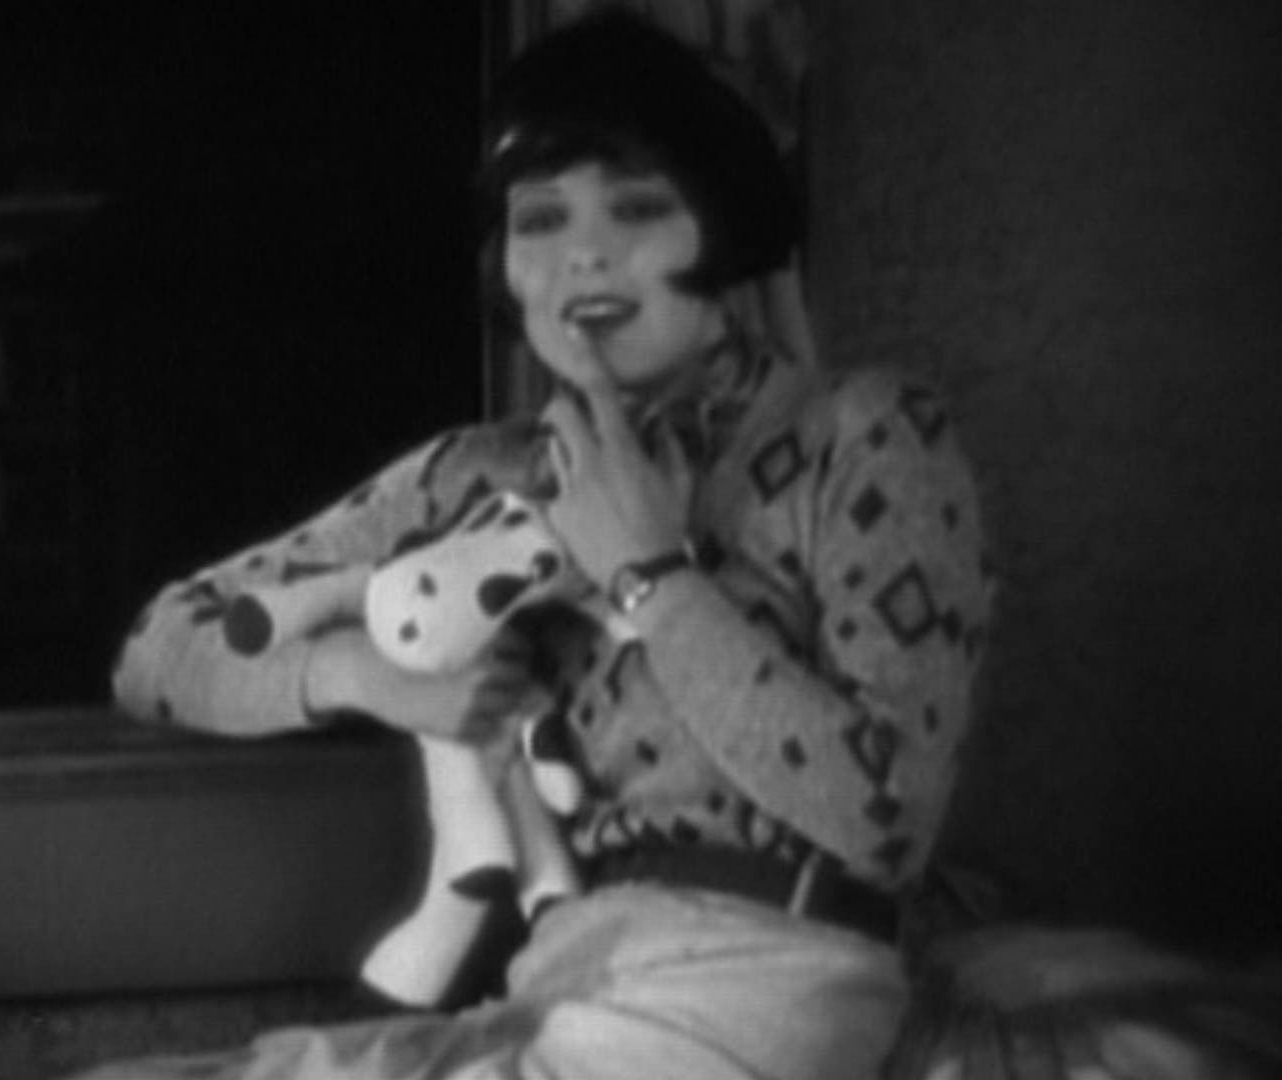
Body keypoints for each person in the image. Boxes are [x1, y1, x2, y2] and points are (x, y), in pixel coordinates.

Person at [95, 9, 992, 1079]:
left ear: (726, 226)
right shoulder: (487, 472)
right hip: (559, 982)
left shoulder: (867, 434)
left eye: (640, 207)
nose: (585, 257)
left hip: (771, 987)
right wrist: (368, 678)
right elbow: (157, 651)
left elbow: (888, 819)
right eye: (541, 220)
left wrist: (653, 578)